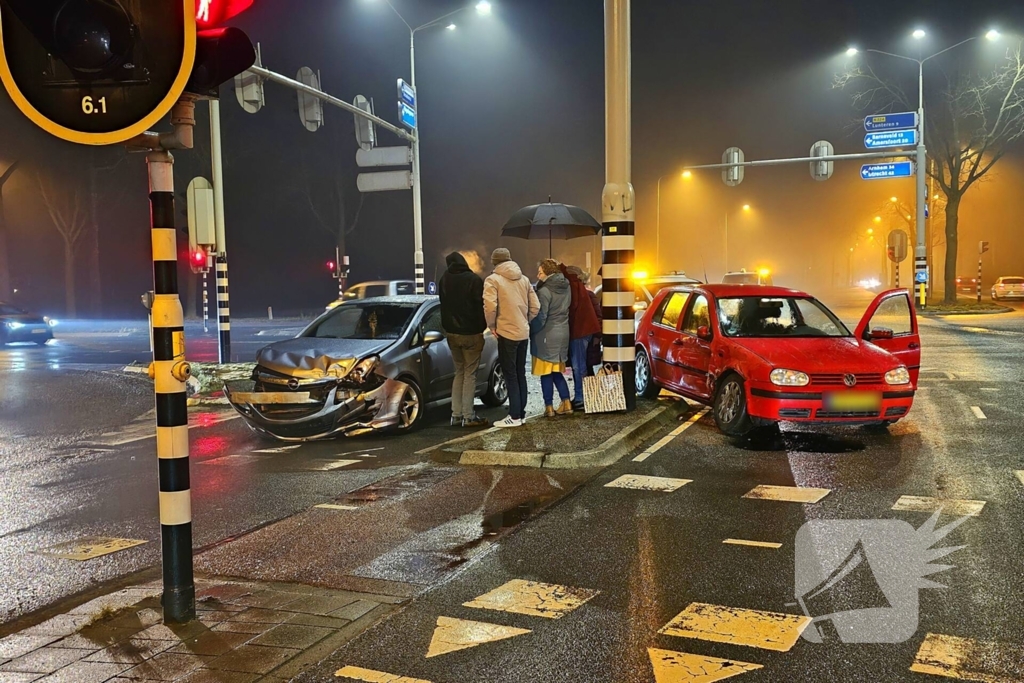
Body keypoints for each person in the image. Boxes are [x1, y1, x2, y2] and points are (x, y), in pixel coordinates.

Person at [483, 248, 540, 428]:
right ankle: (521, 414)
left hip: (506, 333)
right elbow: (536, 306)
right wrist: (524, 321)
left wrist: (492, 326)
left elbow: (490, 306)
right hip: (523, 333)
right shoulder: (523, 279)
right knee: (520, 373)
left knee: (510, 375)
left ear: (495, 262)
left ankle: (514, 416)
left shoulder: (493, 280)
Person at [439, 251, 488, 428]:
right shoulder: (473, 280)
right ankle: (469, 416)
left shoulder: (444, 279)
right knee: (470, 374)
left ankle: (456, 415)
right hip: (471, 333)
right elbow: (481, 305)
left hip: (452, 334)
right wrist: (481, 326)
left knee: (459, 372)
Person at [531, 259, 572, 417]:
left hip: (546, 336)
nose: (538, 275)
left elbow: (541, 317)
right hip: (563, 333)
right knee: (556, 371)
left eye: (540, 272)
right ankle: (566, 402)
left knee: (546, 373)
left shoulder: (544, 291)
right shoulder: (566, 287)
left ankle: (549, 407)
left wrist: (531, 330)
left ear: (548, 273)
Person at [563, 265, 601, 409]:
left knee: (579, 366)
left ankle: (581, 398)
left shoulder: (584, 295)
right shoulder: (586, 294)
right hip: (584, 334)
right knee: (581, 366)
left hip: (580, 334)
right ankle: (585, 396)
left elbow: (597, 317)